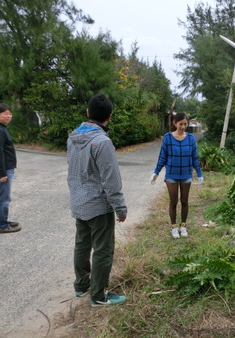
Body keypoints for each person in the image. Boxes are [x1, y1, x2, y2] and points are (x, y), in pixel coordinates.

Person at [67, 94, 127, 306]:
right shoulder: (102, 142)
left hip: (78, 202)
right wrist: (120, 208)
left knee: (82, 244)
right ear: (109, 117)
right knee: (103, 249)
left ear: (87, 113)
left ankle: (82, 286)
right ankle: (98, 296)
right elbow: (111, 180)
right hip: (98, 206)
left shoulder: (72, 137)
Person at [150, 112, 203, 239]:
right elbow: (163, 156)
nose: (183, 127)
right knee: (173, 201)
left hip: (186, 175)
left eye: (186, 124)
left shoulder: (190, 138)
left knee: (184, 201)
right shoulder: (168, 137)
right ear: (175, 123)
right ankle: (174, 227)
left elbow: (194, 157)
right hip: (171, 175)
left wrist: (199, 174)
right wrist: (156, 172)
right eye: (181, 124)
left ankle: (183, 226)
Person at [0, 103, 21, 234]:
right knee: (3, 197)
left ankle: (3, 220)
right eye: (5, 114)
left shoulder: (1, 128)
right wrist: (2, 173)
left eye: (9, 113)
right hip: (3, 169)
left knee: (4, 196)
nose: (8, 116)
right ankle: (1, 225)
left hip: (6, 168)